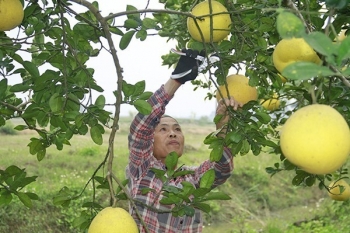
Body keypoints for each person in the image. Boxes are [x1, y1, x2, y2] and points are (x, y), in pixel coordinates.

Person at [126, 49, 242, 233]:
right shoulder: (142, 169)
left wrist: (223, 127)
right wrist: (176, 80)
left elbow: (222, 168)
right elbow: (141, 127)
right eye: (163, 129)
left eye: (177, 129)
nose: (173, 133)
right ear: (150, 140)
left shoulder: (192, 179)